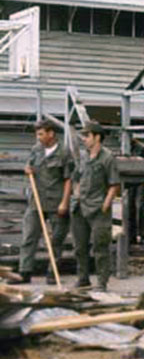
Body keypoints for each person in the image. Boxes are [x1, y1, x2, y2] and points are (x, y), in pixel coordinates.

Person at [9, 119, 72, 285]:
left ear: (51, 134)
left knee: (56, 240)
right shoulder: (36, 150)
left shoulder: (64, 153)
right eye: (37, 134)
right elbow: (29, 166)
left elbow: (68, 180)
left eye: (40, 134)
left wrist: (64, 202)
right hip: (36, 201)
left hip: (56, 202)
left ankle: (52, 273)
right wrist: (27, 169)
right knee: (29, 236)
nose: (38, 137)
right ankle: (25, 272)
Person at [71, 120, 119, 291]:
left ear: (97, 137)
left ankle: (102, 283)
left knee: (100, 247)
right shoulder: (84, 156)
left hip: (98, 209)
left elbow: (114, 185)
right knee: (79, 247)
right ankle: (83, 278)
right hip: (80, 207)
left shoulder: (107, 158)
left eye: (87, 135)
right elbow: (76, 177)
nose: (84, 139)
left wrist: (105, 205)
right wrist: (76, 194)